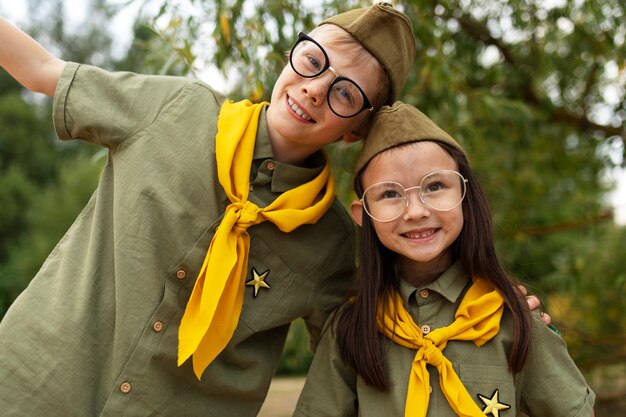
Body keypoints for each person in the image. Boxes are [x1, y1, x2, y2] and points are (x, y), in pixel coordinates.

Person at [0, 3, 546, 416]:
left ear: (356, 128)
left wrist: (492, 306)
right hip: (36, 383)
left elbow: (383, 334)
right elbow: (42, 69)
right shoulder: (176, 110)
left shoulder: (333, 244)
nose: (313, 90)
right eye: (313, 62)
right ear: (294, 53)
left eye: (345, 93)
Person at [293, 102, 595, 417]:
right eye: (390, 194)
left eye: (435, 186)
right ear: (362, 214)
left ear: (465, 195)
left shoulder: (513, 319)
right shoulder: (350, 329)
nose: (416, 211)